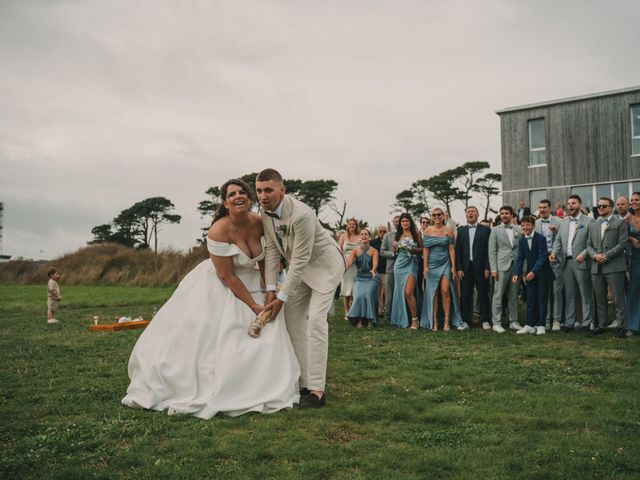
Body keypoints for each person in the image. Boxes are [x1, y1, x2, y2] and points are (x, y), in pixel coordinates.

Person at [122, 179, 300, 418]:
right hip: (223, 284)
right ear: (225, 202)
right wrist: (254, 304)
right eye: (232, 194)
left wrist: (269, 291)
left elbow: (265, 260)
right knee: (228, 329)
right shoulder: (218, 230)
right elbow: (228, 277)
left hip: (255, 280)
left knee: (273, 325)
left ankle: (267, 381)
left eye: (242, 193)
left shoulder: (260, 222)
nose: (238, 196)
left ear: (249, 198)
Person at [258, 168, 345, 409]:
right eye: (259, 190)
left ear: (282, 190)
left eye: (268, 190)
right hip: (302, 272)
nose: (262, 196)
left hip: (326, 267)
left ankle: (317, 391)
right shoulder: (265, 214)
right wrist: (270, 289)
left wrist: (282, 296)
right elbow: (274, 250)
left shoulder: (302, 215)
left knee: (316, 320)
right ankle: (304, 380)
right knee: (292, 319)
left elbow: (300, 259)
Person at [550, 194, 594, 331]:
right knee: (569, 294)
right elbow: (558, 240)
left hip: (582, 262)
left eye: (573, 203)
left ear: (579, 204)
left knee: (585, 294)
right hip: (566, 263)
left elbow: (593, 242)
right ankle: (569, 322)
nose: (570, 205)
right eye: (569, 203)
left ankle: (587, 322)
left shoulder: (589, 221)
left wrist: (584, 253)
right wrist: (553, 252)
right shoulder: (564, 222)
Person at [587, 196, 628, 337]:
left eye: (604, 206)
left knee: (618, 298)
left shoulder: (620, 223)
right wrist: (594, 256)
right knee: (599, 297)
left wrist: (606, 256)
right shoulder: (593, 224)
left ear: (611, 207)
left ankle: (621, 326)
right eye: (599, 206)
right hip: (596, 266)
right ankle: (602, 324)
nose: (601, 208)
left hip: (614, 266)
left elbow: (622, 243)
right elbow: (589, 245)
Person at [420, 207, 462, 331]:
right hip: (432, 264)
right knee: (433, 293)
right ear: (432, 217)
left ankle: (447, 321)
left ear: (443, 216)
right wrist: (425, 266)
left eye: (439, 214)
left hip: (445, 263)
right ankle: (435, 322)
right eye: (434, 215)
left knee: (445, 291)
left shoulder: (448, 231)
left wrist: (454, 267)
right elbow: (426, 249)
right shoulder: (427, 231)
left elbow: (451, 249)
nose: (437, 217)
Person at [512, 216, 555, 335]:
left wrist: (533, 271)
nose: (525, 227)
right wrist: (517, 274)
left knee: (542, 299)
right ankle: (529, 325)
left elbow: (542, 257)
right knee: (530, 299)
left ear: (533, 226)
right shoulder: (522, 240)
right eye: (523, 225)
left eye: (528, 224)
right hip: (530, 274)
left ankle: (541, 325)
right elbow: (520, 259)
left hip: (543, 273)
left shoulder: (540, 238)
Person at [455, 206, 491, 330]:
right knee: (465, 294)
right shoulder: (461, 231)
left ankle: (485, 319)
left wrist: (487, 267)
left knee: (483, 293)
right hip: (465, 268)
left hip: (481, 267)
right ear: (466, 215)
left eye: (473, 211)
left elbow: (488, 250)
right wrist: (458, 268)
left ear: (477, 214)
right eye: (468, 212)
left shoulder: (485, 230)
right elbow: (458, 251)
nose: (470, 213)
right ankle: (466, 320)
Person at [488, 206, 522, 333]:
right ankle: (496, 322)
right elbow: (492, 251)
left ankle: (513, 321)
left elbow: (521, 249)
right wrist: (493, 269)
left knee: (513, 295)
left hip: (516, 266)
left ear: (511, 215)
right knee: (498, 295)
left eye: (506, 213)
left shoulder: (519, 229)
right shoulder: (495, 230)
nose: (504, 215)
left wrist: (522, 267)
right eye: (502, 213)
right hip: (501, 266)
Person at [390, 213, 423, 330]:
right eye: (402, 221)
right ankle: (402, 318)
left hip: (412, 264)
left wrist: (412, 249)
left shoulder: (416, 234)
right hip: (399, 265)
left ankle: (415, 319)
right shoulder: (397, 235)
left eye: (407, 221)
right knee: (400, 292)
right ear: (400, 223)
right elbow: (395, 252)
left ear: (410, 222)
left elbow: (423, 250)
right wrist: (395, 245)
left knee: (409, 292)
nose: (405, 223)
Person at [535, 199, 563, 331]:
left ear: (550, 208)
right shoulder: (535, 223)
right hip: (542, 262)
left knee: (556, 291)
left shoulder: (559, 222)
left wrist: (557, 231)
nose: (542, 210)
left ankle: (557, 320)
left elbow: (564, 239)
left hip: (555, 260)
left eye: (544, 207)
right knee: (543, 292)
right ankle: (545, 320)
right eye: (540, 207)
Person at [346, 229, 379, 328]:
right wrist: (345, 267)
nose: (364, 236)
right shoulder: (355, 251)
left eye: (366, 234)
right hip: (360, 278)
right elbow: (349, 262)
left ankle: (370, 320)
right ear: (360, 237)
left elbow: (375, 264)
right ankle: (359, 320)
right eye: (362, 234)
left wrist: (373, 270)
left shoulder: (374, 251)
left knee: (368, 294)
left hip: (371, 278)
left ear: (369, 237)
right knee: (359, 296)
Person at [338, 218, 360, 319]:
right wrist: (343, 263)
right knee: (346, 288)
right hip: (345, 266)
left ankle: (354, 309)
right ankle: (347, 311)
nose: (352, 226)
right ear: (347, 225)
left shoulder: (359, 236)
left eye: (354, 224)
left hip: (357, 265)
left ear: (356, 226)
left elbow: (363, 249)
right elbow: (339, 250)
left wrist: (357, 258)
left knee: (355, 289)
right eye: (350, 224)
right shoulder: (343, 236)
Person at [380, 216, 400, 325]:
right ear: (393, 223)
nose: (397, 223)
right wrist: (393, 254)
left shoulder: (405, 235)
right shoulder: (387, 236)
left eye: (399, 221)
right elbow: (382, 252)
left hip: (404, 268)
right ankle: (387, 318)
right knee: (389, 294)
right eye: (395, 221)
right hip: (391, 268)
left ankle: (400, 316)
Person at [626, 192, 640, 336]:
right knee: (634, 291)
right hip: (635, 259)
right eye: (632, 200)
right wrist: (630, 238)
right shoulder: (629, 219)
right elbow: (623, 235)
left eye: (637, 200)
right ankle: (633, 325)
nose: (634, 202)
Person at [369, 225, 387, 316]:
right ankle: (380, 310)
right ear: (377, 232)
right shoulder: (372, 242)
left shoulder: (388, 242)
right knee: (378, 291)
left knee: (386, 292)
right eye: (380, 231)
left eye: (384, 231)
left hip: (386, 270)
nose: (382, 233)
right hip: (376, 270)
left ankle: (385, 308)